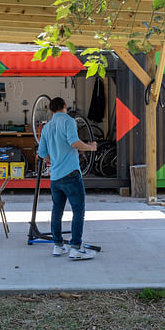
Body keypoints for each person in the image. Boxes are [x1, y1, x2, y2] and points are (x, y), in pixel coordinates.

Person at [37, 97, 97, 260]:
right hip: (71, 174)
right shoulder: (69, 121)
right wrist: (90, 147)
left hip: (55, 177)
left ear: (51, 110)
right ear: (65, 107)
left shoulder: (47, 127)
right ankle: (76, 248)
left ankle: (58, 246)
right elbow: (74, 143)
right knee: (78, 211)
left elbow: (42, 154)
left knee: (57, 210)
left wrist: (55, 159)